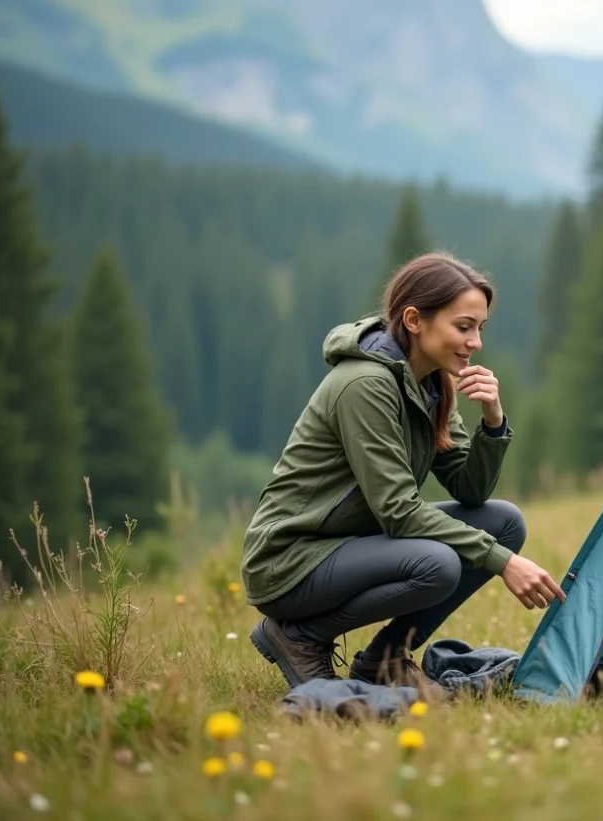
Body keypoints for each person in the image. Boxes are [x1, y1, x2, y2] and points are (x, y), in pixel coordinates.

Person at [240, 251, 566, 689]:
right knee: (438, 564)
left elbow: (471, 491)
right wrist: (503, 563)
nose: (475, 342)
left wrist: (492, 421)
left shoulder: (433, 381)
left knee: (504, 523)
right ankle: (298, 636)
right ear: (415, 320)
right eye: (463, 327)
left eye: (479, 329)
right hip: (290, 558)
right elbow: (399, 511)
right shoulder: (364, 385)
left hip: (350, 544)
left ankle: (384, 660)